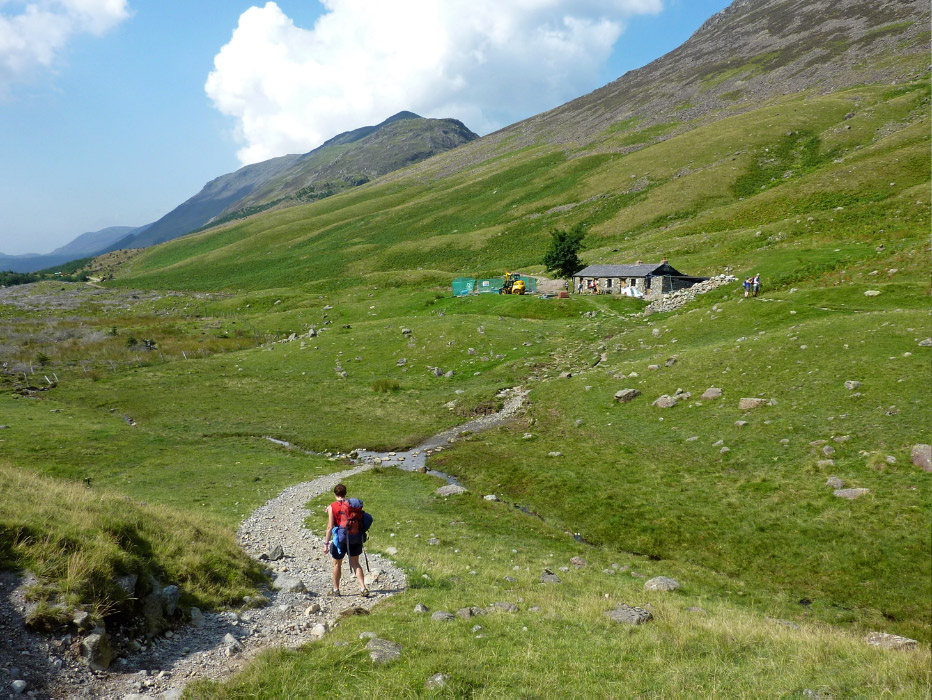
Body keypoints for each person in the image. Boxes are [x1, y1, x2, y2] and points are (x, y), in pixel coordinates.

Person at [323, 483, 369, 597]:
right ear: (345, 493)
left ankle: (336, 590)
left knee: (337, 564)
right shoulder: (352, 505)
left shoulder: (332, 506)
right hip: (355, 537)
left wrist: (326, 544)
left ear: (335, 494)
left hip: (341, 539)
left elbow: (329, 527)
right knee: (355, 563)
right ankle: (363, 588)